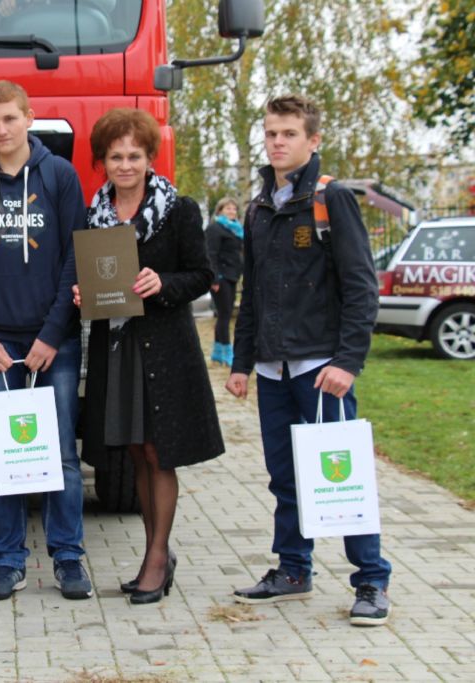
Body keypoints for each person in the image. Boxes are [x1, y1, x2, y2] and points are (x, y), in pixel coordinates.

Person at [225, 94, 392, 626]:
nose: (277, 142)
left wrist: (348, 361)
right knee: (284, 476)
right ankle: (293, 570)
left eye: (289, 134)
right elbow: (252, 294)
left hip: (323, 370)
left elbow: (362, 287)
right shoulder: (259, 207)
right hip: (274, 369)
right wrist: (240, 362)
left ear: (313, 141)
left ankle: (371, 581)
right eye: (272, 133)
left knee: (341, 477)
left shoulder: (331, 199)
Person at [0, 79, 92, 601]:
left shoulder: (59, 175)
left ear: (29, 117)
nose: (2, 129)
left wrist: (53, 334)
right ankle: (7, 562)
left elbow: (76, 258)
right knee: (3, 458)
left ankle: (69, 558)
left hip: (54, 344)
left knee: (62, 457)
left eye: (11, 118)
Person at [76, 108, 224, 604]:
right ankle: (154, 552)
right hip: (117, 348)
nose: (124, 165)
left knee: (160, 452)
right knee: (137, 451)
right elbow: (96, 277)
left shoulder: (179, 210)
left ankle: (157, 558)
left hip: (164, 349)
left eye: (134, 155)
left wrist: (162, 283)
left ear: (148, 158)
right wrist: (83, 293)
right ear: (102, 161)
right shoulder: (93, 213)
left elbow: (202, 275)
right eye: (115, 156)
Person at [205, 197, 244, 367]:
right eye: (228, 208)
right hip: (220, 277)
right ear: (220, 210)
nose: (232, 212)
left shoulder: (236, 230)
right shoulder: (215, 228)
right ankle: (227, 351)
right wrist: (214, 277)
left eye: (234, 209)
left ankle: (218, 352)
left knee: (224, 314)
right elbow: (210, 253)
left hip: (233, 275)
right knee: (225, 314)